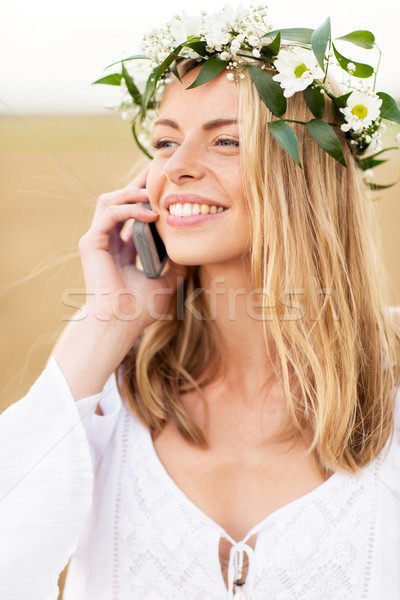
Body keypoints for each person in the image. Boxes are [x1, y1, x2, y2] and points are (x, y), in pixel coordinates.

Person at [1, 7, 400, 600]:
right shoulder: (111, 396)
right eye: (165, 141)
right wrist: (105, 321)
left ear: (309, 172)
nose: (177, 168)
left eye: (226, 140)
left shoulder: (390, 378)